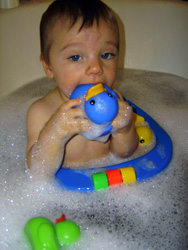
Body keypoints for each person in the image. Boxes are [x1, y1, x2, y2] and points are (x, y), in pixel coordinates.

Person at [26, 0, 138, 176]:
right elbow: (38, 170)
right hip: (63, 194)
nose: (96, 68)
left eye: (106, 55)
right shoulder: (41, 112)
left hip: (108, 185)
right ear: (48, 66)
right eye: (76, 57)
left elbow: (124, 153)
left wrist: (125, 129)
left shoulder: (114, 100)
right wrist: (56, 131)